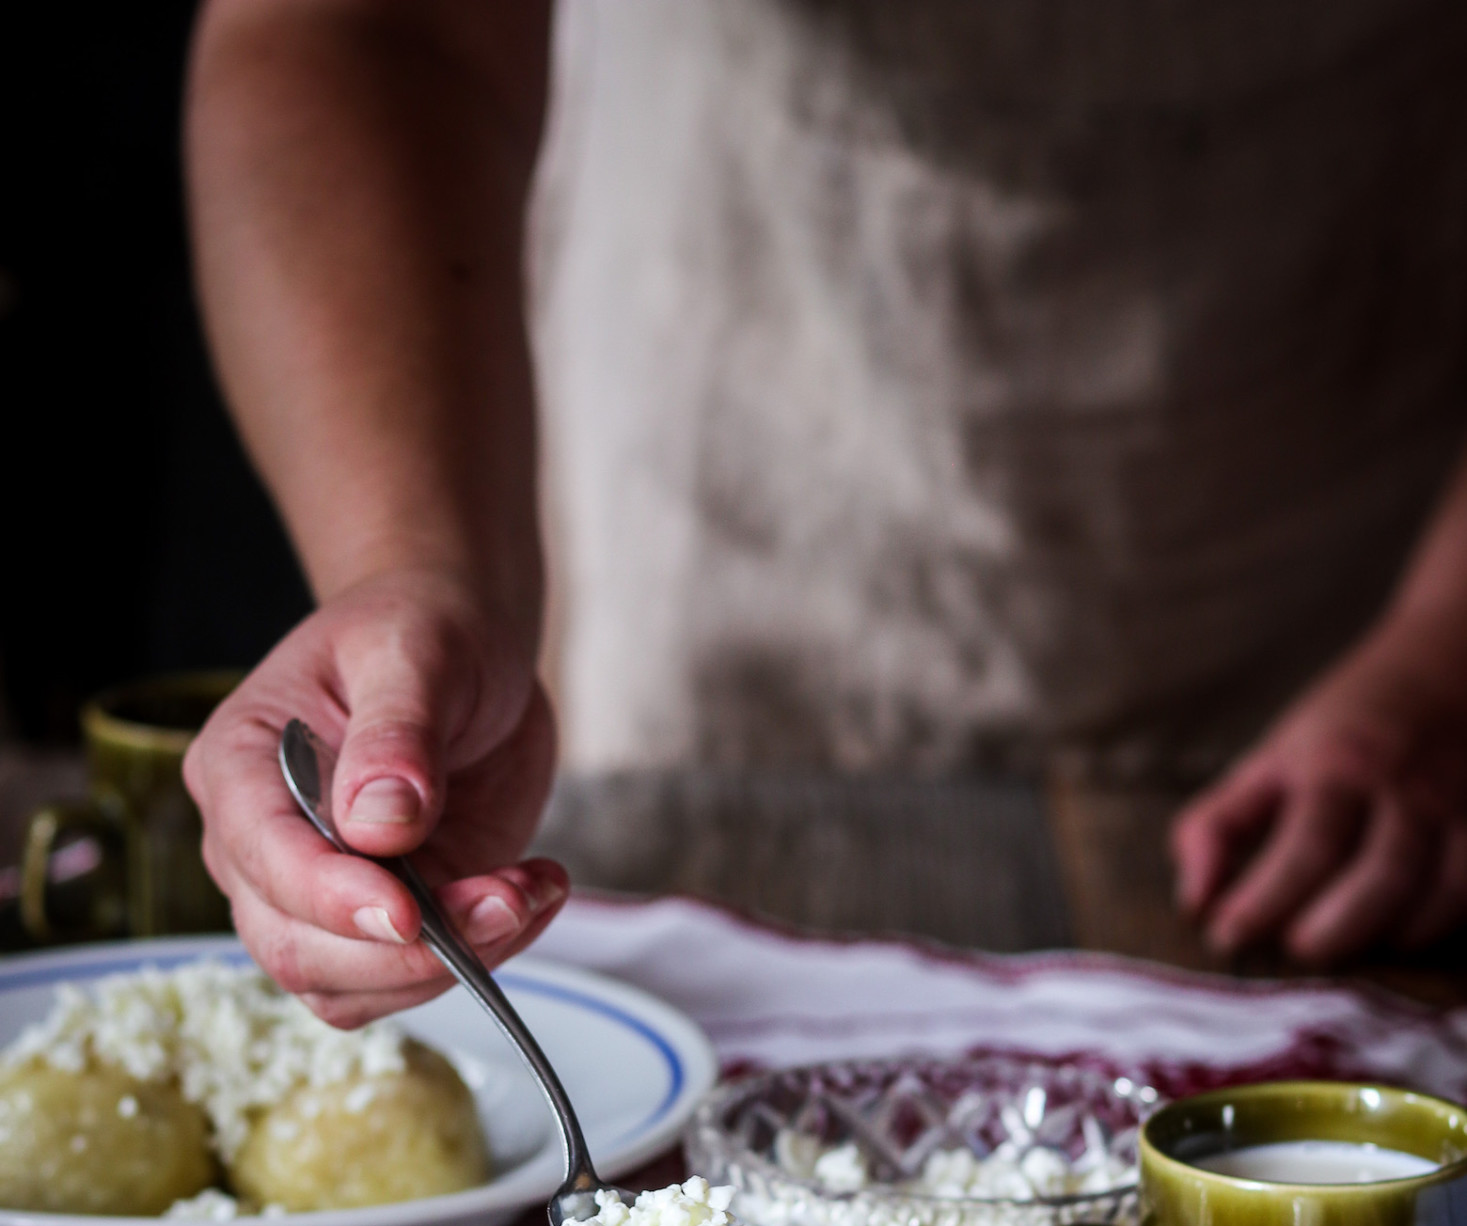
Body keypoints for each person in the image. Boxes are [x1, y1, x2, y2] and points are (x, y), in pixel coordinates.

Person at [181, 0, 1467, 1027]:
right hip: (746, 361)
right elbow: (376, 28)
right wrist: (414, 563)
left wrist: (1445, 652)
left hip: (1346, 504)